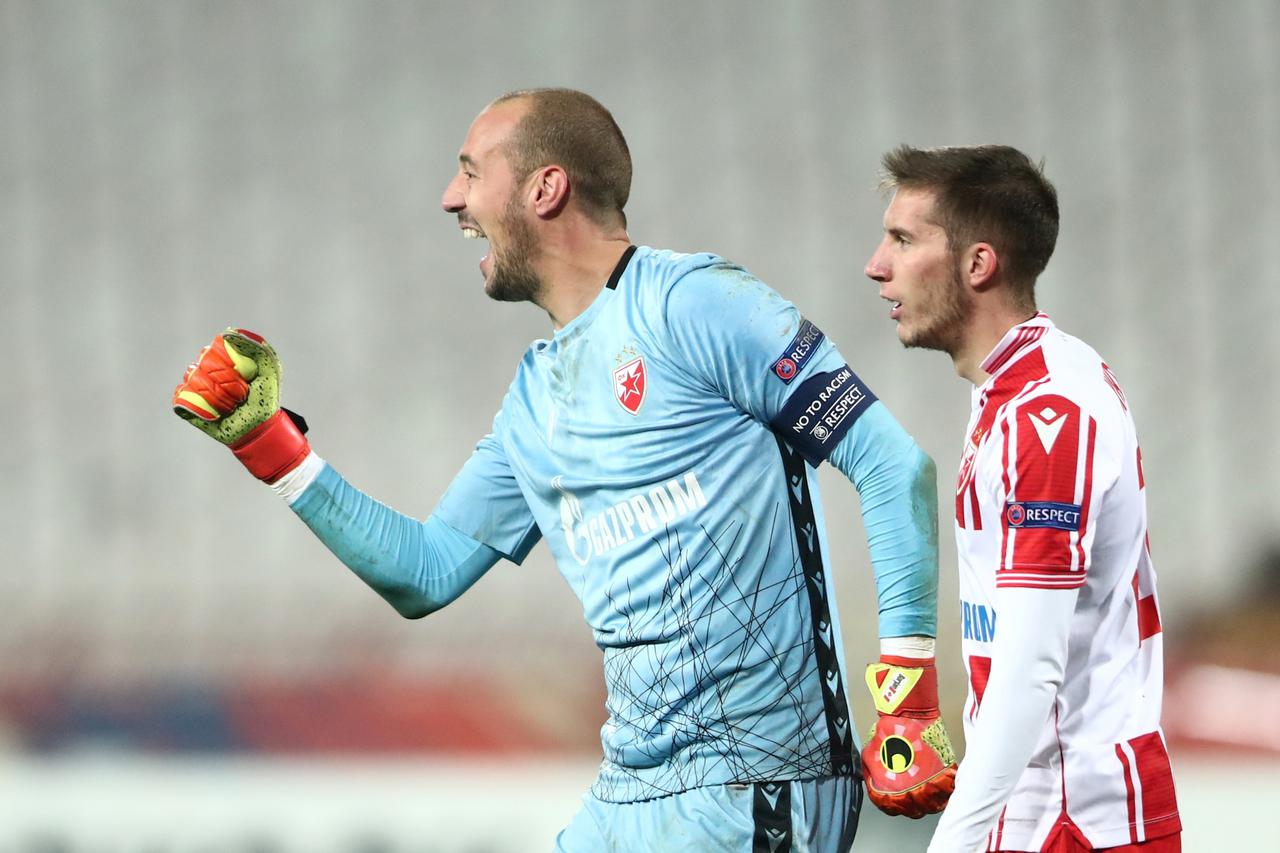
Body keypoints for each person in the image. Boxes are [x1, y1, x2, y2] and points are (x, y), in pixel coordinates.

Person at [172, 88, 954, 852]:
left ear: (547, 188)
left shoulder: (696, 305)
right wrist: (270, 446)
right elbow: (425, 570)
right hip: (625, 793)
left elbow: (893, 466)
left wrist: (907, 702)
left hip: (751, 790)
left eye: (472, 171)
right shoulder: (533, 397)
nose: (452, 198)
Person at [864, 145, 1181, 853]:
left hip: (1077, 816)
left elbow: (1033, 666)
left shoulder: (1050, 414)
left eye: (903, 239)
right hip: (1041, 805)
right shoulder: (1014, 388)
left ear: (978, 265)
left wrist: (956, 841)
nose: (876, 264)